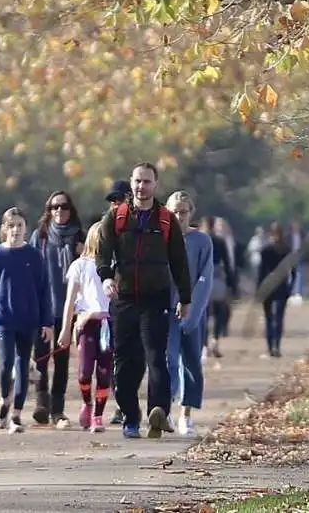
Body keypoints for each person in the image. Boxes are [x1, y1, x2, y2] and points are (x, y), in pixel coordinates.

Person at [96, 162, 191, 439]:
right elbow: (102, 254)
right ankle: (130, 417)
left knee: (155, 357)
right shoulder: (116, 217)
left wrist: (185, 297)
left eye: (147, 181)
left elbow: (179, 262)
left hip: (155, 299)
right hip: (124, 299)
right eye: (137, 181)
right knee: (127, 362)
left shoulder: (165, 219)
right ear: (131, 182)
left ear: (155, 184)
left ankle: (157, 411)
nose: (141, 186)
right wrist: (106, 277)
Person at [0, 207, 53, 434]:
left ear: (25, 228)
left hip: (28, 319)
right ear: (4, 228)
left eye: (20, 225)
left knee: (23, 366)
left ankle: (17, 414)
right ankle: (4, 400)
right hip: (3, 319)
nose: (16, 230)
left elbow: (43, 290)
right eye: (11, 225)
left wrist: (46, 322)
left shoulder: (34, 256)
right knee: (6, 363)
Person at [30, 191, 86, 428]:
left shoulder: (79, 237)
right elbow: (29, 270)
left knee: (62, 360)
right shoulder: (40, 237)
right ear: (48, 210)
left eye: (63, 207)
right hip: (43, 306)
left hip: (68, 307)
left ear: (71, 210)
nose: (59, 212)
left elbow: (87, 271)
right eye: (54, 208)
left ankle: (58, 409)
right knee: (40, 358)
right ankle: (41, 405)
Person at [164, 191, 213, 436]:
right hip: (166, 311)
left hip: (193, 312)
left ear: (190, 213)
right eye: (175, 211)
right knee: (169, 361)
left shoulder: (202, 241)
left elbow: (206, 278)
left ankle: (186, 414)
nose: (179, 216)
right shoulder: (160, 238)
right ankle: (166, 411)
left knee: (191, 363)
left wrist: (192, 308)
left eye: (183, 211)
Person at [58, 221, 112, 433]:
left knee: (105, 371)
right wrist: (65, 328)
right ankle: (87, 403)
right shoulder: (79, 266)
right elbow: (70, 301)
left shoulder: (114, 265)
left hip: (107, 324)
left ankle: (98, 416)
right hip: (85, 325)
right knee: (85, 371)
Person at [104, 179, 131, 426]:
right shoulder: (106, 228)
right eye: (112, 201)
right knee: (117, 355)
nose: (115, 204)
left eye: (119, 199)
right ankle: (121, 405)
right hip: (112, 303)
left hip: (139, 299)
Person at [199, 217, 235, 358]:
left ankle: (205, 344)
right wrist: (232, 283)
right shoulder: (220, 241)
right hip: (218, 279)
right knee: (220, 311)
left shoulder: (200, 241)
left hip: (202, 279)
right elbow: (226, 263)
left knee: (204, 314)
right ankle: (215, 340)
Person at [257, 222, 295, 357]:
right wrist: (291, 286)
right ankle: (276, 347)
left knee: (268, 318)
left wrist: (259, 289)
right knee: (279, 318)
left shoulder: (265, 249)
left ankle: (269, 348)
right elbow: (293, 271)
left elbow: (261, 271)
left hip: (268, 285)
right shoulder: (287, 249)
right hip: (282, 285)